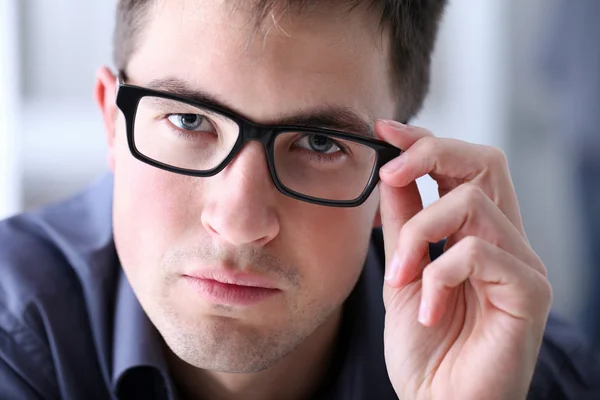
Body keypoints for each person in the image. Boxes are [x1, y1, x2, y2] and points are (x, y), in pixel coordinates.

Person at [0, 0, 598, 399]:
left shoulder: (522, 374)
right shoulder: (13, 337)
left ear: (398, 168)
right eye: (187, 120)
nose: (238, 222)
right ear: (112, 123)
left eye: (320, 142)